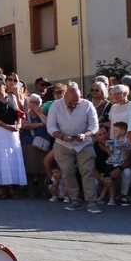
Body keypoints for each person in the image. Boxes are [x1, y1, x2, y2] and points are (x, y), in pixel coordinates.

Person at [47, 81, 101, 213]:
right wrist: (62, 136)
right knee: (67, 172)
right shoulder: (55, 105)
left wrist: (85, 135)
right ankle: (75, 200)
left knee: (87, 171)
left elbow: (94, 125)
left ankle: (92, 202)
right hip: (62, 143)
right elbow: (51, 126)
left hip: (84, 143)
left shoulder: (87, 105)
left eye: (76, 103)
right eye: (70, 103)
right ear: (65, 96)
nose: (73, 106)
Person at [0, 77, 26, 199]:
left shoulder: (12, 97)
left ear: (4, 86)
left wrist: (18, 125)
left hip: (12, 133)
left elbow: (19, 113)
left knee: (10, 159)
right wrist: (7, 127)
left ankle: (10, 186)